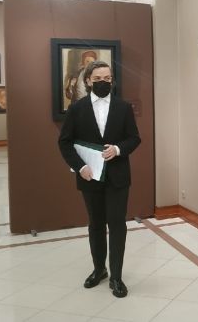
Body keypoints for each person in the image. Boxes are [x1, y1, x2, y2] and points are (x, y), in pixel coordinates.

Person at [58, 61, 141, 298]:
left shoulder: (123, 107)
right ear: (88, 81)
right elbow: (64, 142)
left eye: (107, 78)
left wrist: (118, 149)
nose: (103, 82)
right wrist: (80, 167)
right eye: (97, 79)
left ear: (112, 80)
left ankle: (116, 276)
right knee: (95, 225)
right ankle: (99, 270)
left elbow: (134, 138)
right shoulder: (77, 109)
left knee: (117, 225)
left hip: (118, 177)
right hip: (90, 177)